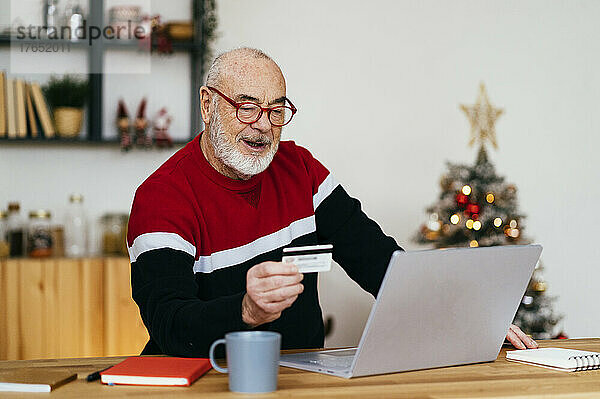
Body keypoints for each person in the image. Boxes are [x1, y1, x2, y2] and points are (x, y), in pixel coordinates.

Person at [127, 47, 537, 357]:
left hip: (300, 379)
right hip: (208, 383)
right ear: (208, 104)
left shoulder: (301, 170)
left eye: (275, 110)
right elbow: (169, 324)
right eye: (247, 108)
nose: (264, 127)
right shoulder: (161, 198)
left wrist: (470, 318)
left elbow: (379, 261)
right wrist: (246, 311)